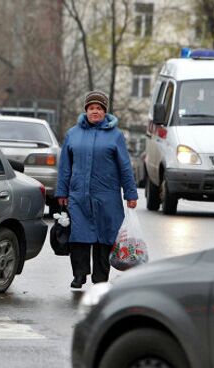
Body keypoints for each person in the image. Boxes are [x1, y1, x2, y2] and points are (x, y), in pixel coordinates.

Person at [55, 90, 138, 289]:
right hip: (78, 196)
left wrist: (130, 193)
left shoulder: (115, 136)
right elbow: (65, 166)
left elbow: (125, 166)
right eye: (92, 108)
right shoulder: (73, 134)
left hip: (107, 197)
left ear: (104, 112)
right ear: (86, 110)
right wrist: (61, 192)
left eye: (99, 108)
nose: (95, 111)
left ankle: (100, 278)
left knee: (105, 238)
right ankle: (79, 274)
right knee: (79, 237)